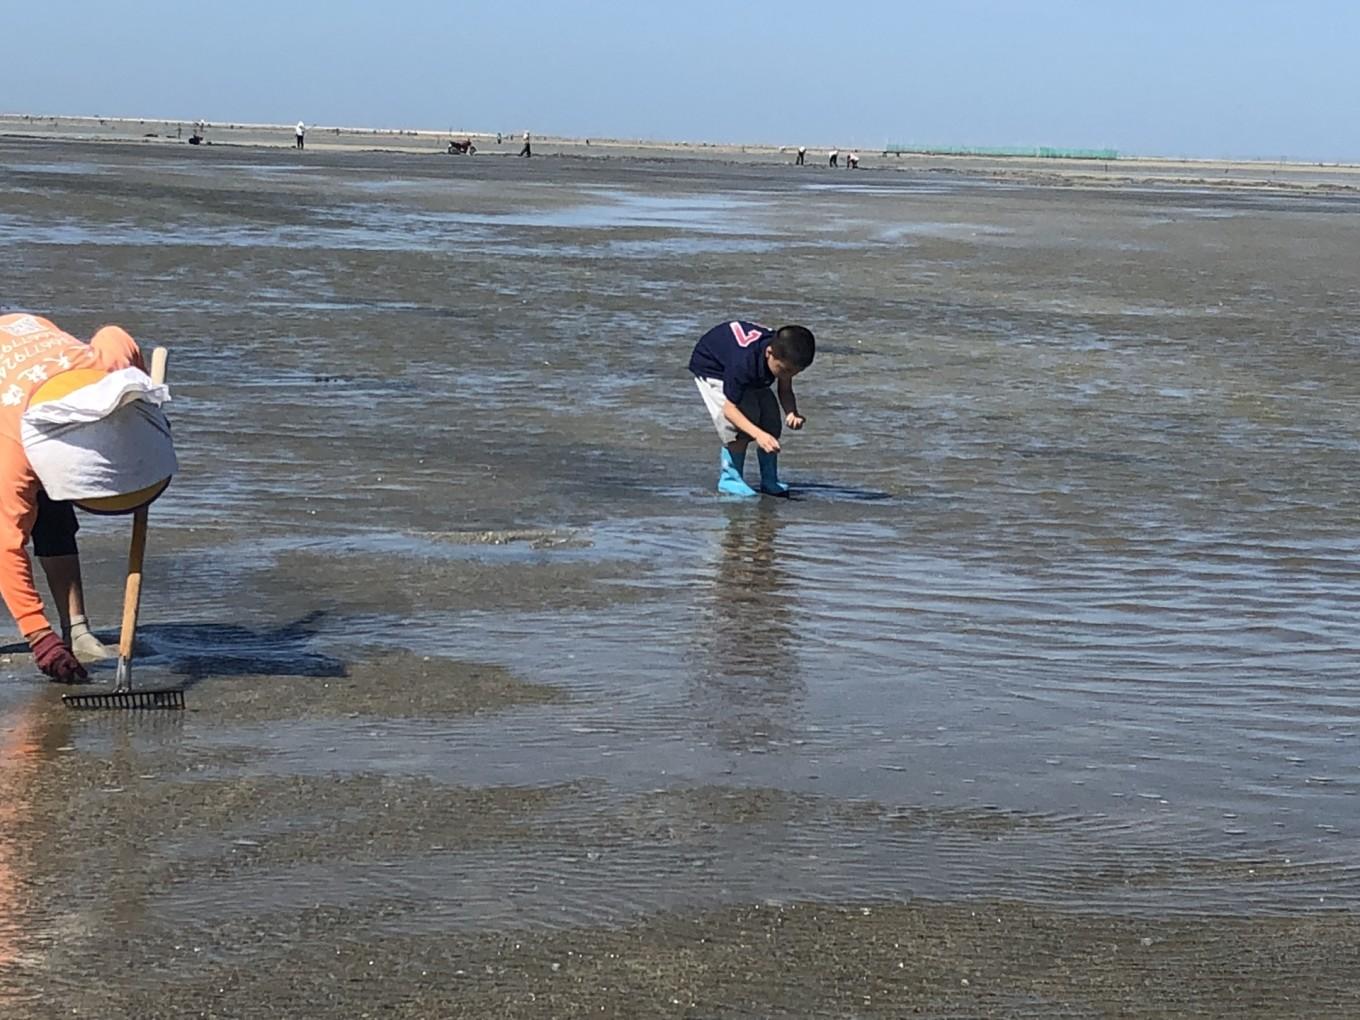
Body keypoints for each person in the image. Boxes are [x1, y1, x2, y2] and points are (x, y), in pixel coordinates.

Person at [0, 313, 178, 683]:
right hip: (13, 404)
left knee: (54, 509)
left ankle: (76, 630)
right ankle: (51, 631)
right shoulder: (12, 449)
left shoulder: (105, 370)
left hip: (36, 357)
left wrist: (144, 413)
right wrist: (39, 638)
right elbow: (6, 545)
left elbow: (117, 336)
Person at [688, 320, 815, 497]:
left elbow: (785, 389)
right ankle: (730, 479)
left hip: (750, 372)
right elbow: (730, 410)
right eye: (785, 371)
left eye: (795, 372)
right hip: (715, 369)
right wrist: (758, 435)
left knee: (770, 420)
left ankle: (769, 479)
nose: (788, 376)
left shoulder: (783, 356)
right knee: (739, 426)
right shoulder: (744, 363)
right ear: (769, 353)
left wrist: (791, 412)